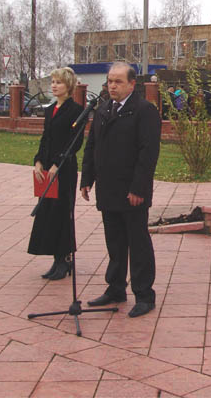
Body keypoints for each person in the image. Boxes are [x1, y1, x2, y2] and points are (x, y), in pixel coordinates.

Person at [80, 62, 161, 318]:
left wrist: (138, 188)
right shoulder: (103, 109)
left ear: (132, 84)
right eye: (109, 81)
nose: (112, 86)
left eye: (117, 82)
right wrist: (87, 179)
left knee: (137, 243)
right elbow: (92, 146)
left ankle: (144, 295)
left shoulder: (145, 111)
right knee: (114, 242)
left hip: (132, 191)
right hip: (108, 188)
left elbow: (148, 153)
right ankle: (115, 288)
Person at [28, 67, 84, 280]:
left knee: (62, 213)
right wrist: (39, 161)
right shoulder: (50, 109)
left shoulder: (76, 110)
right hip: (47, 170)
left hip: (64, 170)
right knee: (48, 214)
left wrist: (57, 164)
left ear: (68, 86)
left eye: (58, 82)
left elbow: (74, 142)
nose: (54, 85)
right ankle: (56, 259)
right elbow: (46, 138)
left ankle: (65, 259)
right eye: (52, 81)